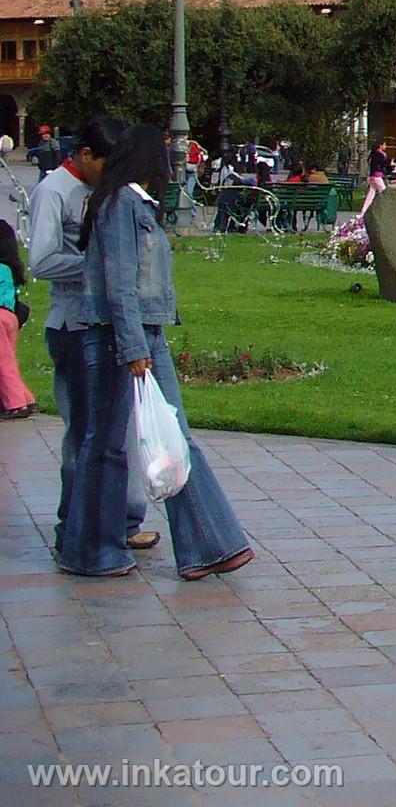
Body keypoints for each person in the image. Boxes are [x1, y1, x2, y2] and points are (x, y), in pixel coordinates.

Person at [58, 122, 254, 580]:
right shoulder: (119, 204)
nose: (173, 158)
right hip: (116, 335)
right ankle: (90, 550)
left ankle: (209, 544)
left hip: (145, 334)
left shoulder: (134, 203)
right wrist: (131, 346)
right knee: (105, 445)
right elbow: (119, 282)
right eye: (166, 150)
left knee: (175, 437)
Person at [29, 117, 151, 551]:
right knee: (83, 432)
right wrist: (99, 266)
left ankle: (122, 519)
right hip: (73, 325)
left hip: (106, 325)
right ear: (84, 155)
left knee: (120, 430)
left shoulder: (109, 191)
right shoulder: (53, 191)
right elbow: (41, 261)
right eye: (107, 162)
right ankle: (75, 525)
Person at [0, 221, 36, 418]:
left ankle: (16, 404)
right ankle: (26, 398)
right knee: (8, 361)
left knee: (3, 364)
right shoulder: (8, 269)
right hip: (10, 317)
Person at [362, 140, 394, 216]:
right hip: (377, 177)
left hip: (371, 176)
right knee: (384, 193)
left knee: (371, 194)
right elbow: (383, 164)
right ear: (381, 145)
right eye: (385, 144)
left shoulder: (373, 153)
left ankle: (364, 211)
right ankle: (387, 210)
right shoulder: (380, 154)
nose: (385, 146)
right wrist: (390, 163)